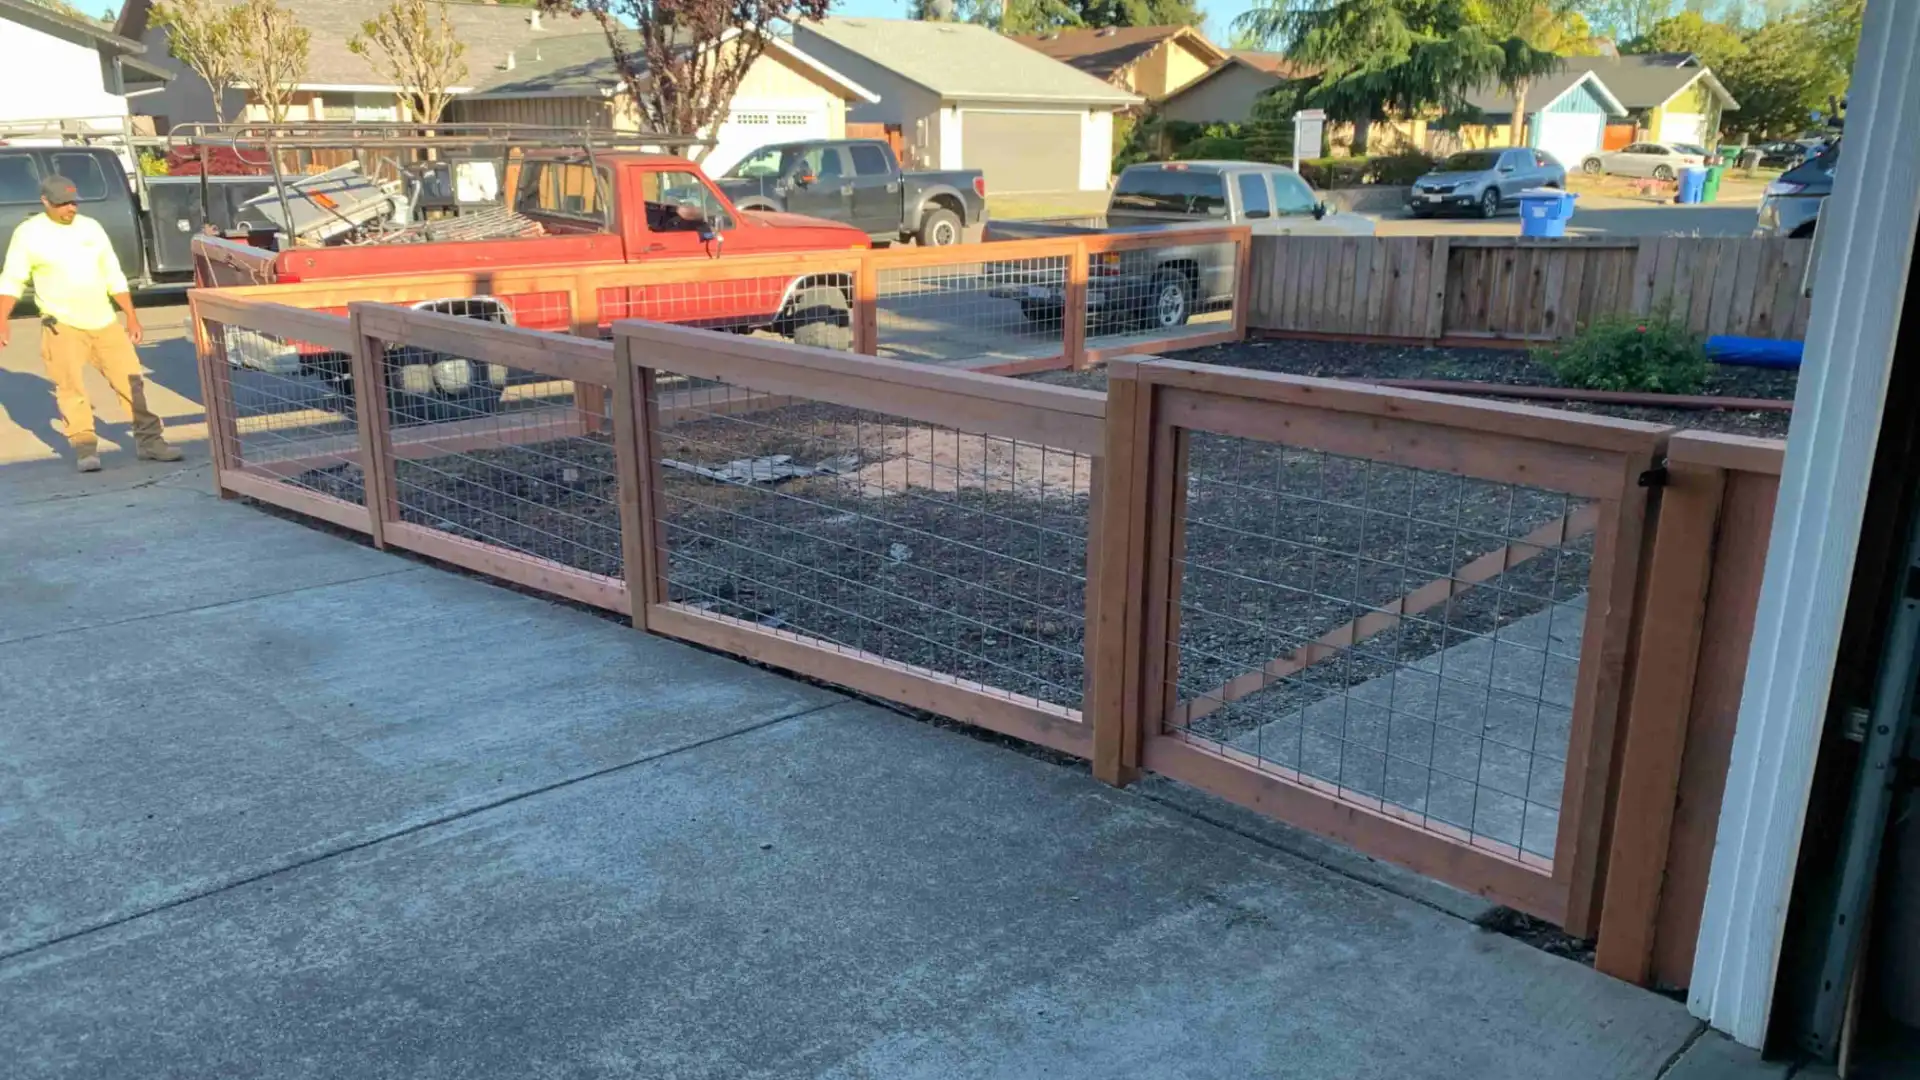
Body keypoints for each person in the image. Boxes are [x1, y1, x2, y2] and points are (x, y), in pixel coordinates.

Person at [0, 174, 180, 472]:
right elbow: (12, 279)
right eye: (61, 204)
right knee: (72, 389)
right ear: (45, 201)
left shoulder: (91, 228)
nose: (70, 209)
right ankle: (85, 447)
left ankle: (150, 442)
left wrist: (131, 315)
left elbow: (112, 272)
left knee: (131, 382)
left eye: (73, 202)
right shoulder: (29, 234)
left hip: (104, 321)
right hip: (62, 325)